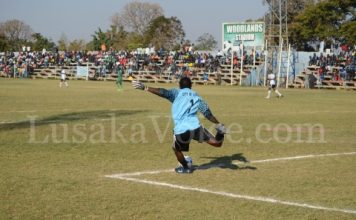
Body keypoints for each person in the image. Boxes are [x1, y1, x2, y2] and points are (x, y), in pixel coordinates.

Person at [132, 77, 227, 174]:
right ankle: (220, 133)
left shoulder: (176, 92)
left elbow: (162, 92)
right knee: (217, 143)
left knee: (176, 149)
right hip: (195, 127)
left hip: (181, 129)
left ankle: (186, 167)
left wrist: (146, 87)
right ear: (191, 86)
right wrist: (218, 123)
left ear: (180, 86)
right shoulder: (197, 96)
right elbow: (208, 114)